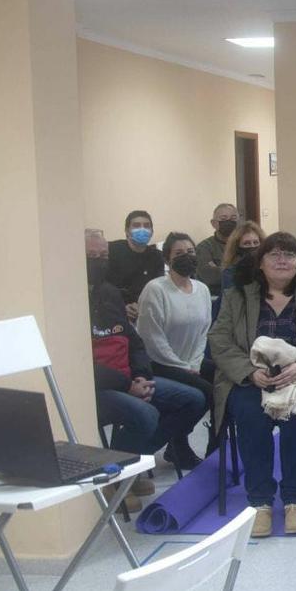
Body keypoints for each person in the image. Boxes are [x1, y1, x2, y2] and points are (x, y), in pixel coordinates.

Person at [208, 232, 296, 538]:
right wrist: (248, 372)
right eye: (274, 254)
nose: (282, 260)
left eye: (289, 255)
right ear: (260, 263)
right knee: (249, 413)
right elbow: (219, 341)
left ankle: (295, 499)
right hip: (252, 378)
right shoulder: (237, 296)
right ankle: (259, 502)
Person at [87, 230, 206, 511]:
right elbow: (80, 363)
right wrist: (127, 384)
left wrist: (140, 375)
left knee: (194, 399)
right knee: (145, 412)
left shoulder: (109, 293)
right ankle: (114, 477)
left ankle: (133, 463)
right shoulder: (66, 302)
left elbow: (135, 341)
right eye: (90, 256)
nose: (98, 261)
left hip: (131, 376)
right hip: (97, 386)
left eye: (102, 256)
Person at [135, 232, 212, 469]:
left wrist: (195, 363)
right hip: (159, 363)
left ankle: (213, 449)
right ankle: (156, 447)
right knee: (206, 393)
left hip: (191, 361)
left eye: (190, 252)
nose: (186, 257)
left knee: (224, 381)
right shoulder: (156, 289)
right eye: (179, 253)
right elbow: (152, 338)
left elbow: (203, 332)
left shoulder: (202, 289)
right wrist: (182, 367)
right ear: (168, 260)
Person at [108, 209, 164, 321]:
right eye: (137, 225)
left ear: (152, 231)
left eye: (146, 226)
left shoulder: (157, 256)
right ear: (127, 231)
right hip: (116, 311)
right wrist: (121, 307)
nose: (142, 229)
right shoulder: (112, 250)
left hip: (146, 311)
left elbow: (157, 288)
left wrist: (144, 307)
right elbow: (105, 287)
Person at [195, 203, 240, 296]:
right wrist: (240, 270)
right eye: (223, 219)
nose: (229, 222)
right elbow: (210, 276)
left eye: (233, 218)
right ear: (214, 223)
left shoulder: (245, 244)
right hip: (217, 297)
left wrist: (221, 269)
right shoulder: (204, 247)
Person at [220, 221, 265, 293]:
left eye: (256, 242)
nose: (252, 246)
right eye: (247, 243)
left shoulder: (268, 267)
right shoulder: (230, 271)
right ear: (237, 247)